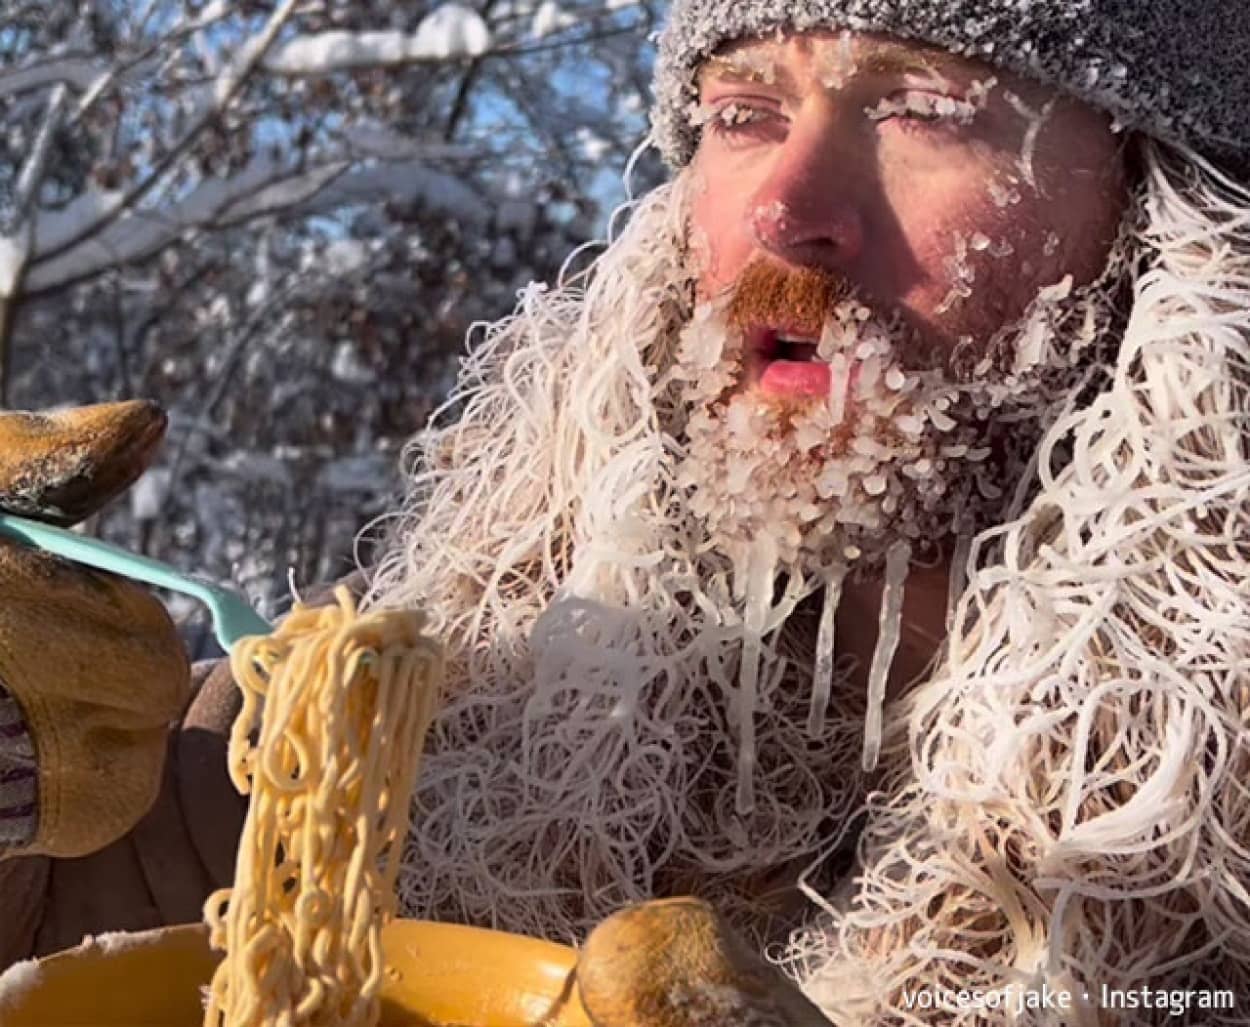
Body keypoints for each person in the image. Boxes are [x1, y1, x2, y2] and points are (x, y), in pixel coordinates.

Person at [4, 0, 1250, 1021]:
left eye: (924, 108)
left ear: (1171, 213)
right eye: (742, 115)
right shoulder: (373, 746)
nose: (786, 207)